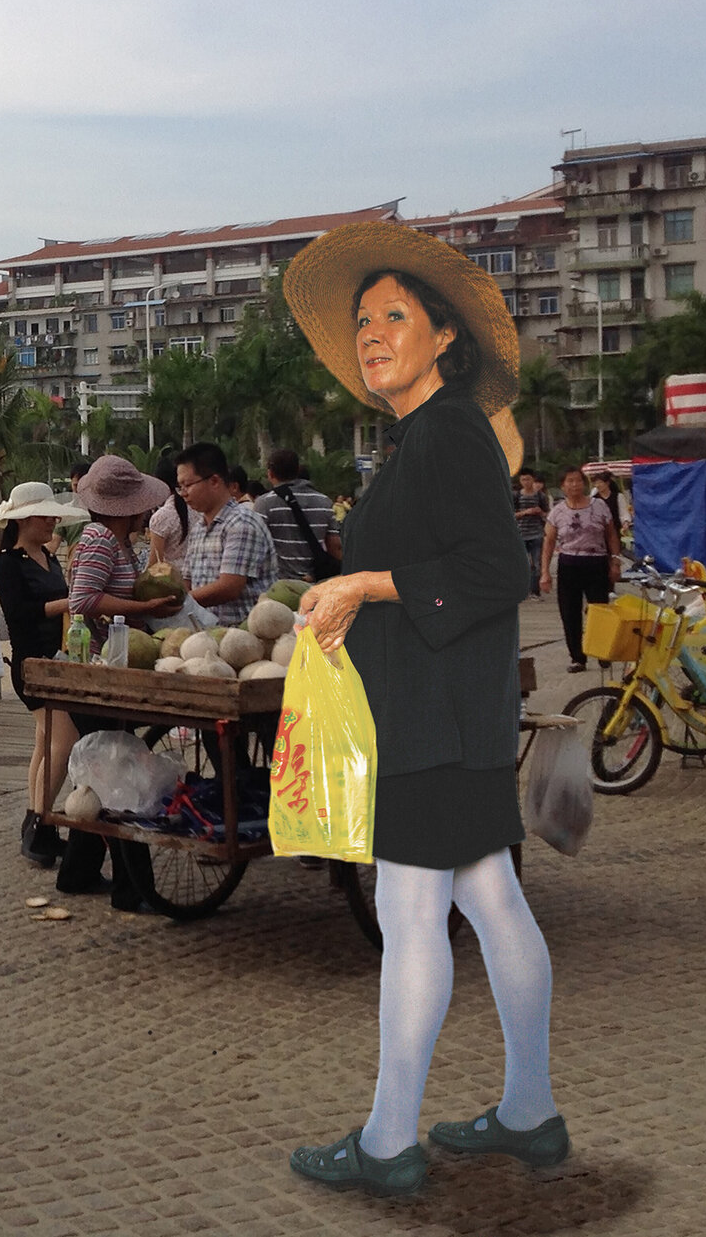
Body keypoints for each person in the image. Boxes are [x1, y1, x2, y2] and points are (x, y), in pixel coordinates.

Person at [282, 223, 562, 1196]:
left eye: (391, 315)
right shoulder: (419, 437)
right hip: (447, 711)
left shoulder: (444, 431)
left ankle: (387, 1139)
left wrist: (363, 580)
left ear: (442, 336)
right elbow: (433, 569)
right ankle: (528, 1110)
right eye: (361, 320)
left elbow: (496, 568)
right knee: (489, 897)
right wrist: (352, 597)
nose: (369, 332)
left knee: (412, 915)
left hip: (433, 721)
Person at [56, 455, 179, 908]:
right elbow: (83, 599)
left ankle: (77, 872)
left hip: (111, 664)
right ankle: (133, 888)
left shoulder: (117, 541)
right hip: (96, 668)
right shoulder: (100, 540)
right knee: (120, 771)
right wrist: (146, 610)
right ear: (126, 506)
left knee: (103, 768)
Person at [0, 481, 85, 866]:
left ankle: (36, 823)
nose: (52, 522)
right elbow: (19, 615)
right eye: (46, 516)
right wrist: (68, 601)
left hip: (56, 661)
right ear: (25, 519)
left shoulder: (45, 558)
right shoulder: (9, 564)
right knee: (63, 743)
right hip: (32, 665)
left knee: (44, 744)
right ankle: (41, 822)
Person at [174, 443, 276, 627]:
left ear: (214, 481)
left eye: (188, 485)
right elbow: (187, 581)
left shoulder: (241, 523)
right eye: (180, 487)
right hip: (208, 635)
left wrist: (178, 603)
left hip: (244, 635)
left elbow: (229, 587)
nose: (183, 493)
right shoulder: (199, 528)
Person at [545, 466, 621, 672]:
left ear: (584, 483)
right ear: (562, 486)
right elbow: (549, 541)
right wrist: (544, 573)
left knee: (599, 610)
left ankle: (603, 652)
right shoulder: (557, 511)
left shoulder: (599, 506)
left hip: (596, 563)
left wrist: (615, 561)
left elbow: (612, 535)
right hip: (569, 564)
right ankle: (577, 657)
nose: (574, 485)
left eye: (578, 481)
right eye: (569, 481)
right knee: (570, 612)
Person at [254, 448, 344, 582]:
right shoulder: (324, 501)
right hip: (316, 582)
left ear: (270, 474)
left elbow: (257, 547)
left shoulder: (264, 503)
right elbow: (334, 547)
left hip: (280, 586)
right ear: (297, 471)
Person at [514, 470, 551, 598]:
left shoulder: (540, 496)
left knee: (536, 564)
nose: (526, 482)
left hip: (536, 534)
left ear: (533, 480)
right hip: (520, 534)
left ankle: (534, 591)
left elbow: (548, 515)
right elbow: (510, 515)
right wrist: (525, 512)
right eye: (523, 480)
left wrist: (540, 512)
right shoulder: (516, 496)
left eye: (528, 479)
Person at [590, 471, 625, 545]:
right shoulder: (593, 499)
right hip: (599, 531)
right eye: (596, 483)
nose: (598, 485)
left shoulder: (618, 496)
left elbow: (623, 513)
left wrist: (625, 523)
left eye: (600, 482)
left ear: (607, 483)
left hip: (615, 529)